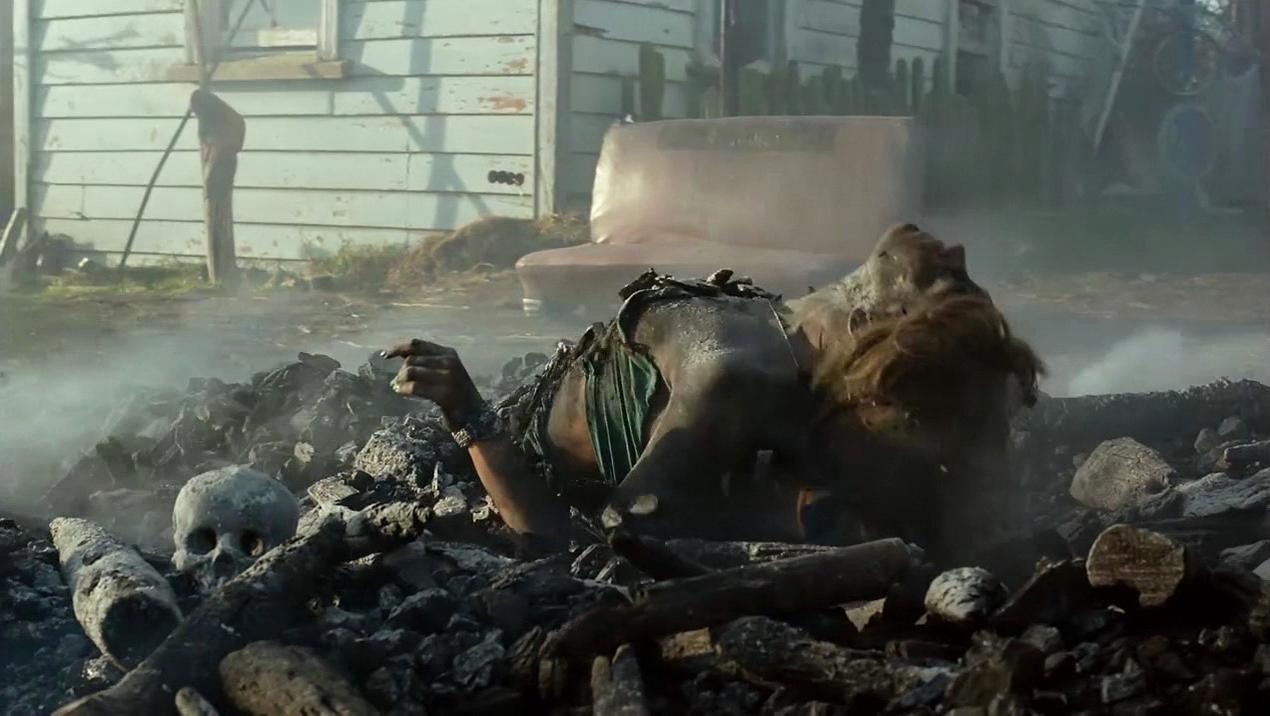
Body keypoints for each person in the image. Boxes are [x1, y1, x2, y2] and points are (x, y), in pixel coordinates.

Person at [384, 224, 1043, 563]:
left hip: (509, 459)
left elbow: (586, 544)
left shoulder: (732, 378)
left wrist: (468, 417)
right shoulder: (770, 347)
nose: (957, 251)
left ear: (876, 327)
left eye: (952, 284)